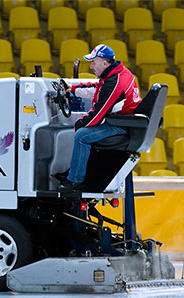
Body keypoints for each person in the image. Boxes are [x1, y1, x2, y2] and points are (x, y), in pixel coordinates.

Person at [57, 44, 142, 194]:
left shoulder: (115, 84)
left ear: (104, 63)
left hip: (123, 125)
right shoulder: (116, 74)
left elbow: (98, 115)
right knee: (83, 131)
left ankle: (75, 180)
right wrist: (72, 89)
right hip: (124, 120)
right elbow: (97, 89)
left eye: (93, 62)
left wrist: (79, 123)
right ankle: (76, 170)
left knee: (82, 135)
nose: (91, 67)